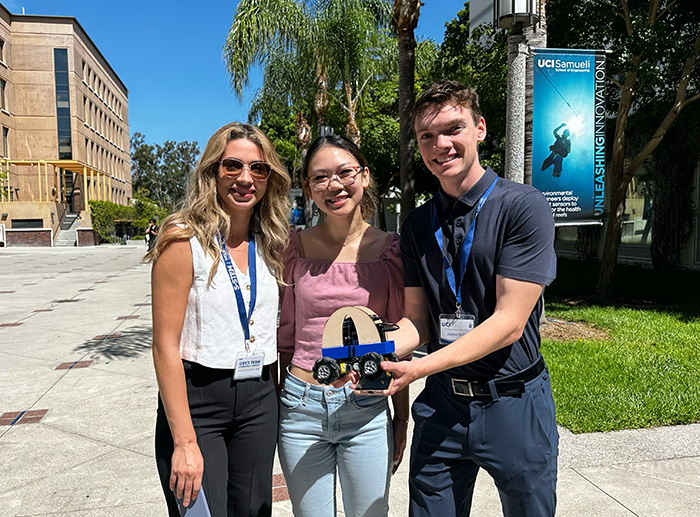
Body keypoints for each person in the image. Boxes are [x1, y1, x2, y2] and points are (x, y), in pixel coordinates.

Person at [381, 81, 558, 516]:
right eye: (426, 136)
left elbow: (508, 323)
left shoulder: (523, 206)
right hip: (443, 403)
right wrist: (376, 352)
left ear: (479, 129)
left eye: (452, 129)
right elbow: (418, 321)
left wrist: (419, 366)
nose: (440, 144)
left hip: (513, 402)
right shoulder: (418, 224)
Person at [147, 122, 291, 516]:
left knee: (253, 510)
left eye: (258, 169)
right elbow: (164, 346)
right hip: (199, 400)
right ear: (213, 171)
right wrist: (184, 442)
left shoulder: (273, 242)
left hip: (260, 400)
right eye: (232, 166)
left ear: (268, 179)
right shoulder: (182, 240)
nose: (245, 178)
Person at [277, 135, 410, 517]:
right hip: (300, 408)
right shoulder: (293, 248)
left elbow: (395, 340)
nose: (334, 186)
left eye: (344, 173)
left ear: (364, 176)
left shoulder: (391, 250)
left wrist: (400, 417)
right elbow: (285, 335)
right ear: (308, 187)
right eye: (320, 178)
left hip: (366, 408)